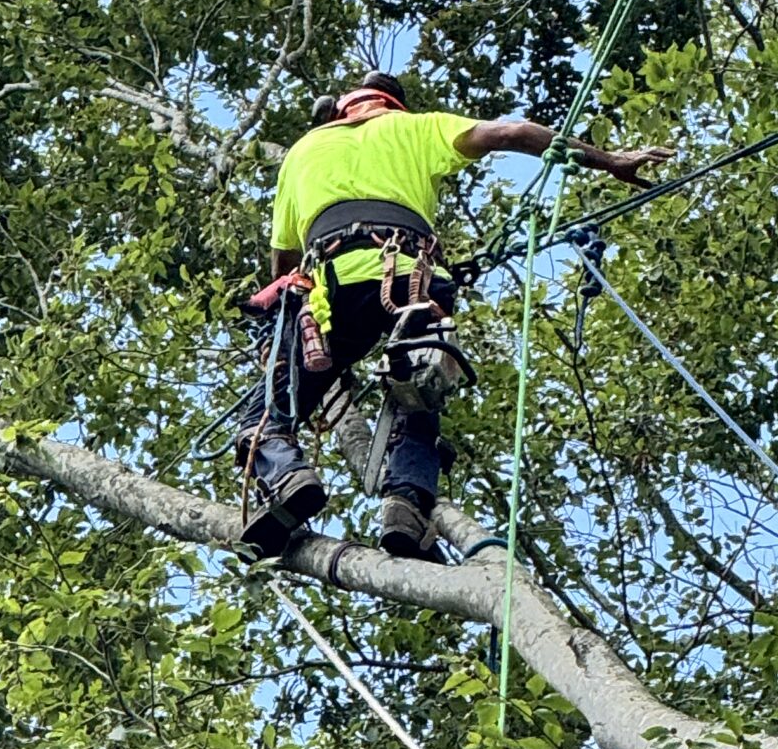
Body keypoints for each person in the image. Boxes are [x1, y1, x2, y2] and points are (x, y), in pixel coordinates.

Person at [233, 72, 671, 560]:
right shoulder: (417, 127)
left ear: (338, 112)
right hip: (414, 278)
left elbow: (284, 267)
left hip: (331, 290)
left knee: (268, 412)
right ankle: (405, 505)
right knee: (418, 393)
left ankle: (287, 477)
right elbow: (514, 132)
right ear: (391, 105)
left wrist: (297, 342)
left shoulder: (303, 151)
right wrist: (610, 160)